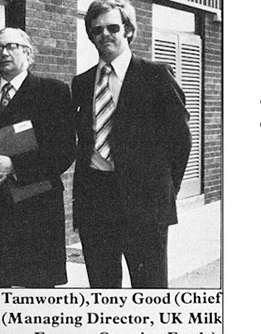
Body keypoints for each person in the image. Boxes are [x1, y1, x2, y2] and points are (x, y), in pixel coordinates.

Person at [71, 1, 191, 288]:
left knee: (149, 290)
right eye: (97, 29)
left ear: (128, 31)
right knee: (102, 290)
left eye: (113, 27)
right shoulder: (82, 83)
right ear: (90, 34)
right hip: (95, 202)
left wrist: (163, 190)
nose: (105, 35)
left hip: (144, 203)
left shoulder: (156, 75)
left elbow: (180, 141)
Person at [0, 27, 77, 289]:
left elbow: (65, 149)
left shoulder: (53, 92)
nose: (3, 53)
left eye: (10, 46)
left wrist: (14, 165)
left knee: (37, 292)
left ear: (28, 52)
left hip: (35, 210)